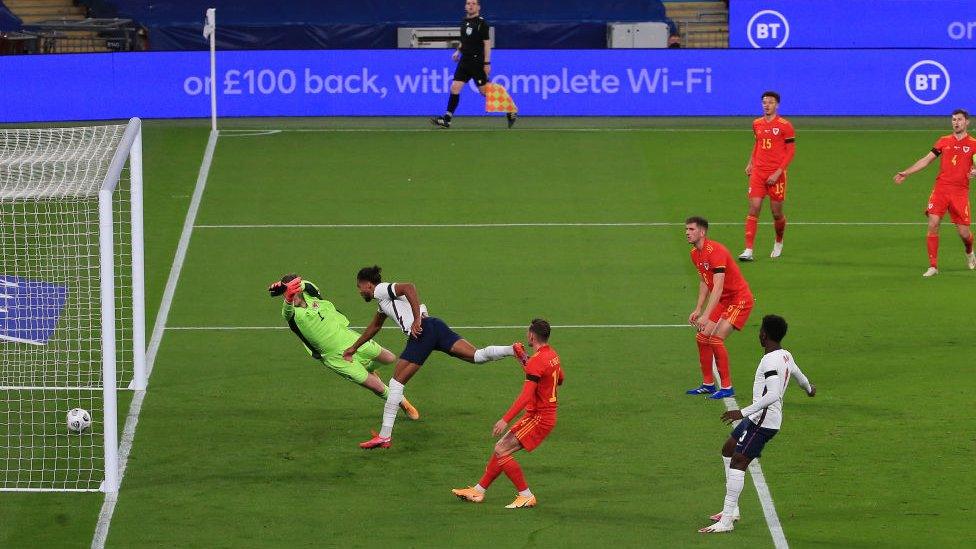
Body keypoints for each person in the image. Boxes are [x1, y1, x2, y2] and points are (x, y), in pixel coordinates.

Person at [346, 266, 527, 449]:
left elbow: (409, 287)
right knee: (476, 356)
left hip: (422, 331)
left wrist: (416, 320)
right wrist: (353, 348)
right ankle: (512, 350)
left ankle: (384, 436)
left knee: (395, 384)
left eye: (359, 287)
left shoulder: (381, 289)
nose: (360, 292)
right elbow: (374, 327)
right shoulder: (382, 302)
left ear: (368, 284)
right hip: (435, 325)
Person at [698, 314, 815, 534]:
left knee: (739, 461)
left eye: (761, 330)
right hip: (758, 417)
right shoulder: (785, 355)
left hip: (763, 420)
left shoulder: (770, 361)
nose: (759, 333)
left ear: (764, 334)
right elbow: (799, 376)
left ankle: (727, 521)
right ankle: (731, 511)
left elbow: (772, 395)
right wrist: (809, 389)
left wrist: (740, 413)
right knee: (728, 449)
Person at [268, 274, 419, 420]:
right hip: (334, 356)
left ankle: (368, 368)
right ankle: (401, 402)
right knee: (378, 387)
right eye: (287, 294)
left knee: (389, 358)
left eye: (293, 291)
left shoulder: (312, 295)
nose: (290, 295)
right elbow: (287, 310)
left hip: (349, 338)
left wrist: (289, 286)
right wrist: (287, 295)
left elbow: (308, 285)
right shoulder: (291, 313)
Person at [452, 319, 562, 509]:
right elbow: (559, 379)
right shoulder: (553, 355)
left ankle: (526, 495)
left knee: (502, 450)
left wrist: (505, 419)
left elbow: (526, 395)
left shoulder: (537, 361)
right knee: (500, 448)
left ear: (531, 335)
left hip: (539, 417)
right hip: (541, 415)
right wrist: (525, 362)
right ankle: (479, 491)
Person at [893, 109, 976, 277]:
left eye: (959, 120)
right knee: (933, 223)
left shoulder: (974, 144)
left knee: (964, 233)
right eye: (953, 119)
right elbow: (926, 159)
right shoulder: (943, 141)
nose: (956, 122)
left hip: (960, 192)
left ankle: (969, 251)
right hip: (941, 189)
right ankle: (933, 266)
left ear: (967, 122)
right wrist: (906, 172)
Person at [686, 216, 754, 400]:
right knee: (702, 338)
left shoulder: (716, 251)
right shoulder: (695, 254)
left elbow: (718, 286)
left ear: (702, 232)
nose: (687, 233)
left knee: (715, 339)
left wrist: (707, 315)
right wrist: (698, 309)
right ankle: (708, 384)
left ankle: (727, 387)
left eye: (691, 229)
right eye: (687, 229)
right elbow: (704, 281)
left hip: (739, 299)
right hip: (723, 300)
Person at [431, 0, 516, 129]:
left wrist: (487, 63)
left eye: (473, 4)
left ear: (478, 7)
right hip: (465, 61)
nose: (470, 6)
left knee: (484, 91)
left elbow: (487, 44)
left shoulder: (482, 24)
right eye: (468, 3)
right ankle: (447, 119)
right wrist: (458, 51)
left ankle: (510, 108)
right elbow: (464, 40)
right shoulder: (464, 22)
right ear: (465, 6)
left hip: (477, 61)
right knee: (454, 87)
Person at [740, 91, 796, 261]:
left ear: (777, 105)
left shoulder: (785, 125)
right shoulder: (756, 123)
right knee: (754, 207)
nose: (767, 105)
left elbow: (791, 151)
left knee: (776, 213)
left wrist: (778, 172)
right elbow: (757, 144)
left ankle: (779, 241)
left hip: (776, 174)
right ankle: (748, 250)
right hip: (758, 172)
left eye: (770, 102)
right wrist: (751, 162)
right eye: (764, 102)